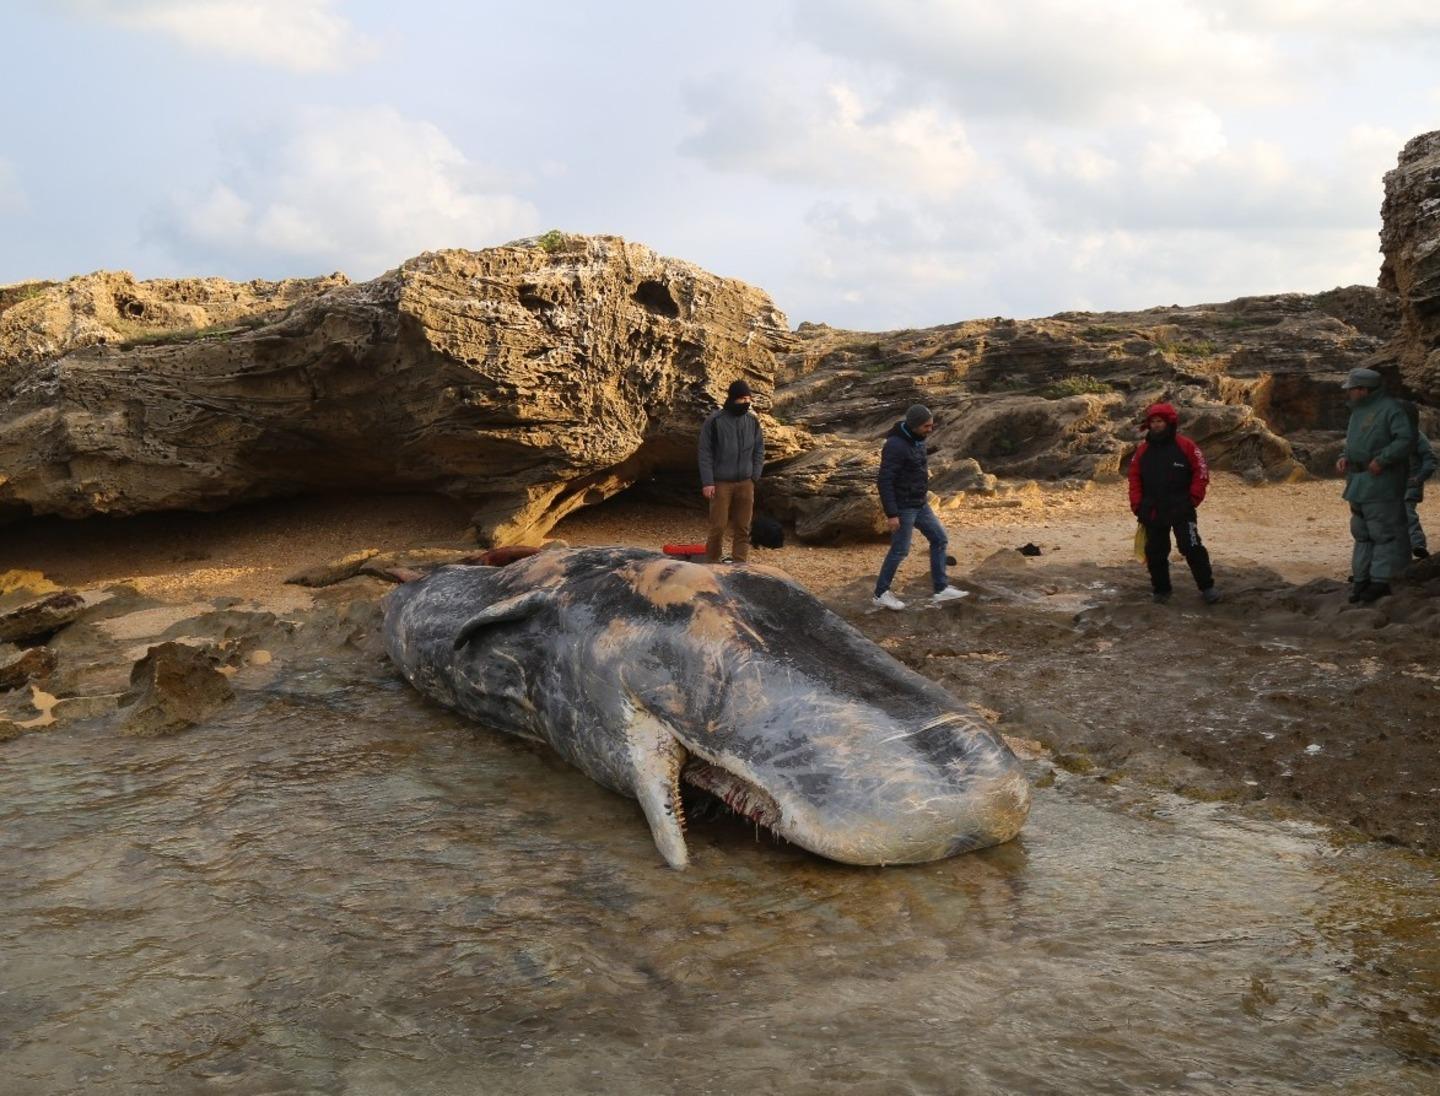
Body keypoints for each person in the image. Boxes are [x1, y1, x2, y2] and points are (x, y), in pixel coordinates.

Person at [872, 404, 969, 610]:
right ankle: (881, 594)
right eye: (926, 426)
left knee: (940, 539)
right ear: (914, 425)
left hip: (920, 503)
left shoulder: (918, 440)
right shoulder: (895, 445)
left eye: (931, 425)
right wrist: (892, 514)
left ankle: (941, 589)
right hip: (903, 507)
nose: (930, 429)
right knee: (900, 551)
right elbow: (884, 481)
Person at [1128, 402, 1220, 605]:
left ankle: (1207, 587)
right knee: (1155, 552)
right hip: (1152, 509)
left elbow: (1201, 472)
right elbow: (1134, 478)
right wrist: (1137, 505)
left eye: (1159, 421)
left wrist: (1193, 498)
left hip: (1182, 507)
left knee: (1191, 546)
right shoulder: (1142, 451)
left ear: (1169, 423)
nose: (1156, 425)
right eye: (1152, 422)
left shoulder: (1186, 446)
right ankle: (1161, 590)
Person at [1336, 367, 1414, 603]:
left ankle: (1380, 582)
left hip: (1381, 483)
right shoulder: (1358, 411)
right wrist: (1344, 456)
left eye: (1352, 389)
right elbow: (1355, 442)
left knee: (1383, 533)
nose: (1349, 394)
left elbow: (1405, 439)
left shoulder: (1391, 409)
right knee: (1362, 533)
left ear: (1364, 390)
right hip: (1358, 482)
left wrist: (1383, 459)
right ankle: (1362, 581)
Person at [698, 379, 764, 564]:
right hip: (721, 483)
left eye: (748, 398)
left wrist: (754, 475)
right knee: (717, 527)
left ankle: (739, 565)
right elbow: (705, 453)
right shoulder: (715, 421)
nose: (746, 402)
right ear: (733, 398)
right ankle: (711, 565)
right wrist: (708, 482)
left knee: (743, 527)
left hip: (746, 482)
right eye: (742, 399)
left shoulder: (752, 421)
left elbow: (759, 448)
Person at [1405, 429, 1435, 559]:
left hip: (1410, 484)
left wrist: (1419, 478)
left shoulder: (1415, 435)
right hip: (1390, 485)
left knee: (1407, 513)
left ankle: (1418, 544)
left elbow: (1429, 458)